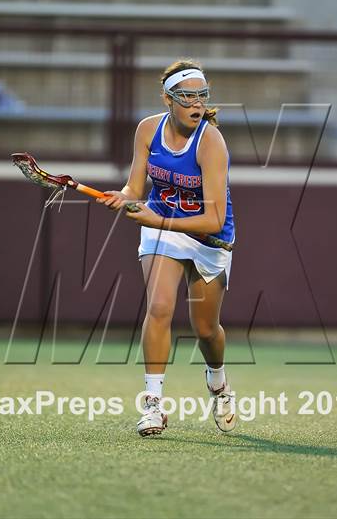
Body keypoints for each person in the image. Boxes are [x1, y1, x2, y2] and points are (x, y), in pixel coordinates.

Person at [97, 59, 236, 436]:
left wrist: (154, 219)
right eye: (187, 96)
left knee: (206, 329)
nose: (197, 104)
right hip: (162, 229)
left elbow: (211, 219)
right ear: (168, 99)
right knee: (159, 307)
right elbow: (135, 188)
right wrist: (122, 197)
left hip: (208, 236)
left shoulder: (211, 142)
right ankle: (153, 406)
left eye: (202, 96)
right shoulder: (147, 130)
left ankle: (219, 383)